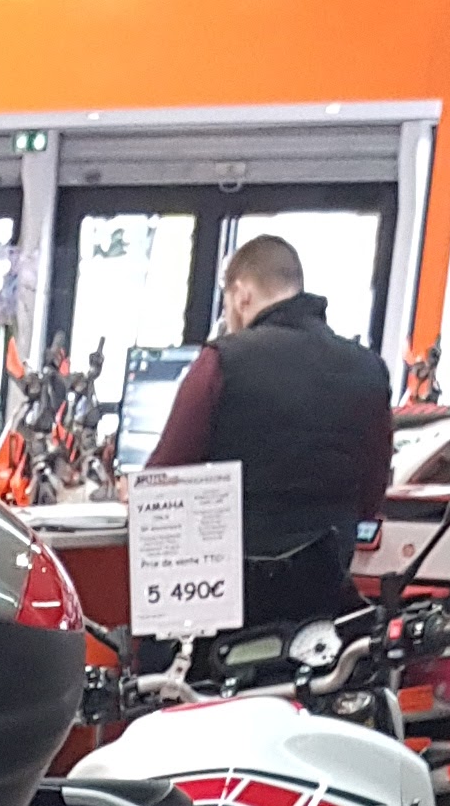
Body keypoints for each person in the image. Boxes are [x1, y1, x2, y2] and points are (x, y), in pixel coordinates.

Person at [141, 231, 396, 629]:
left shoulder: (222, 361)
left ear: (241, 294)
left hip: (225, 607)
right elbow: (370, 497)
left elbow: (163, 482)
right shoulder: (370, 370)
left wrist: (133, 488)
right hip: (322, 606)